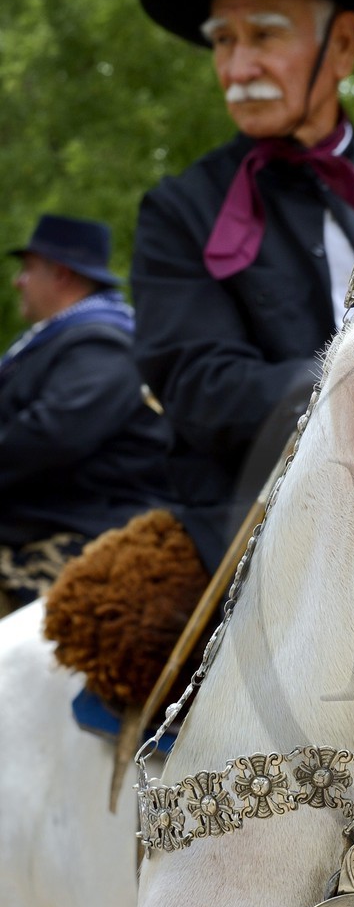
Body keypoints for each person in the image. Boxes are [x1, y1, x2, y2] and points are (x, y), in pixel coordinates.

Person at [132, 0, 354, 570]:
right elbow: (201, 387)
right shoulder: (179, 209)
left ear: (344, 45)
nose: (239, 69)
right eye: (223, 41)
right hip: (256, 516)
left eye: (265, 35)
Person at [0, 214, 172, 613]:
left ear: (59, 274)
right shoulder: (65, 338)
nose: (18, 281)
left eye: (27, 270)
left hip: (79, 532)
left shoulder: (103, 342)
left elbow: (52, 437)